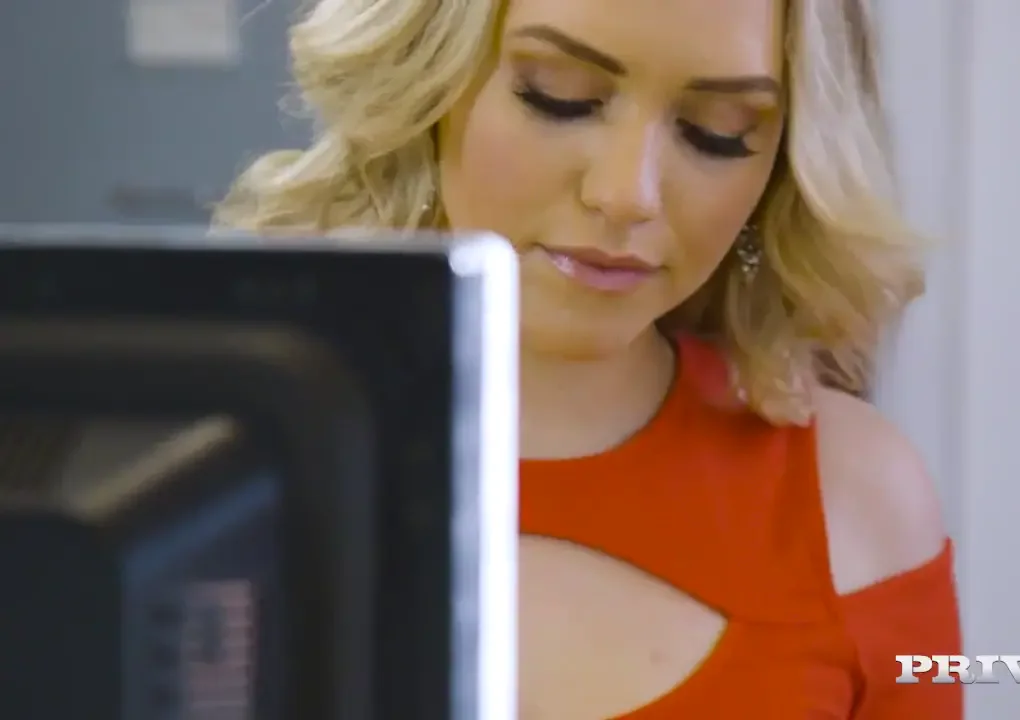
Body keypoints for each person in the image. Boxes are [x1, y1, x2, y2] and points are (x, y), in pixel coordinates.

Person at [216, 0, 963, 716]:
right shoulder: (221, 465)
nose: (626, 194)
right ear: (428, 83)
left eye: (716, 133)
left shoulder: (858, 501)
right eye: (559, 97)